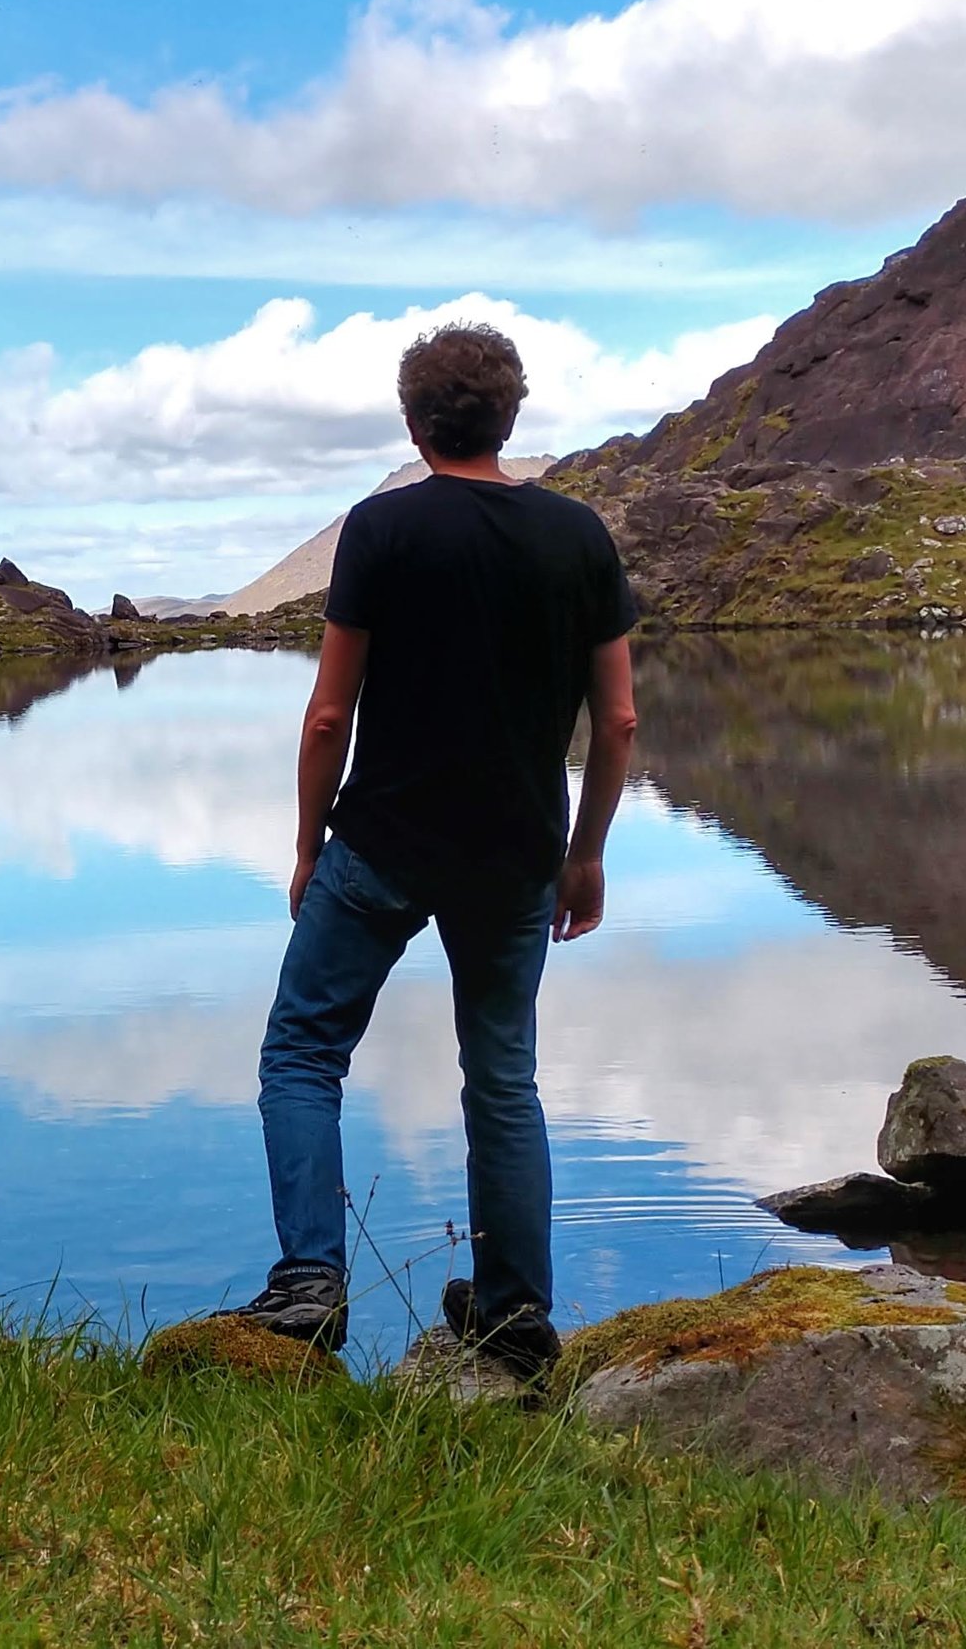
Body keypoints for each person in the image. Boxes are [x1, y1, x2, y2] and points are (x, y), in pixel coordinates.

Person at [220, 321, 640, 1377]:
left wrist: (310, 841)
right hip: (516, 854)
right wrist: (583, 853)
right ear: (512, 416)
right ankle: (513, 1314)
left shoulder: (380, 529)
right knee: (502, 1079)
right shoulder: (577, 536)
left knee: (303, 1053)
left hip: (382, 847)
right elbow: (619, 720)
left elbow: (328, 716)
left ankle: (310, 1281)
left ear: (413, 423)